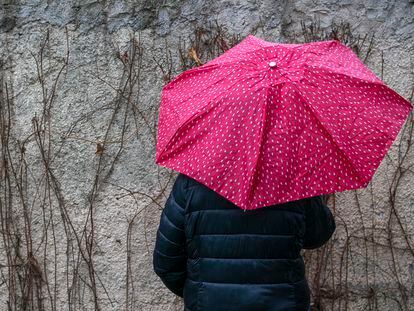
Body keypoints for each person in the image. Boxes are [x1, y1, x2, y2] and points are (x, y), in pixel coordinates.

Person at [153, 172, 336, 311]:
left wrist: (202, 289)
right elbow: (318, 235)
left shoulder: (191, 181)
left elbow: (166, 261)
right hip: (283, 302)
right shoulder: (294, 175)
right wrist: (314, 191)